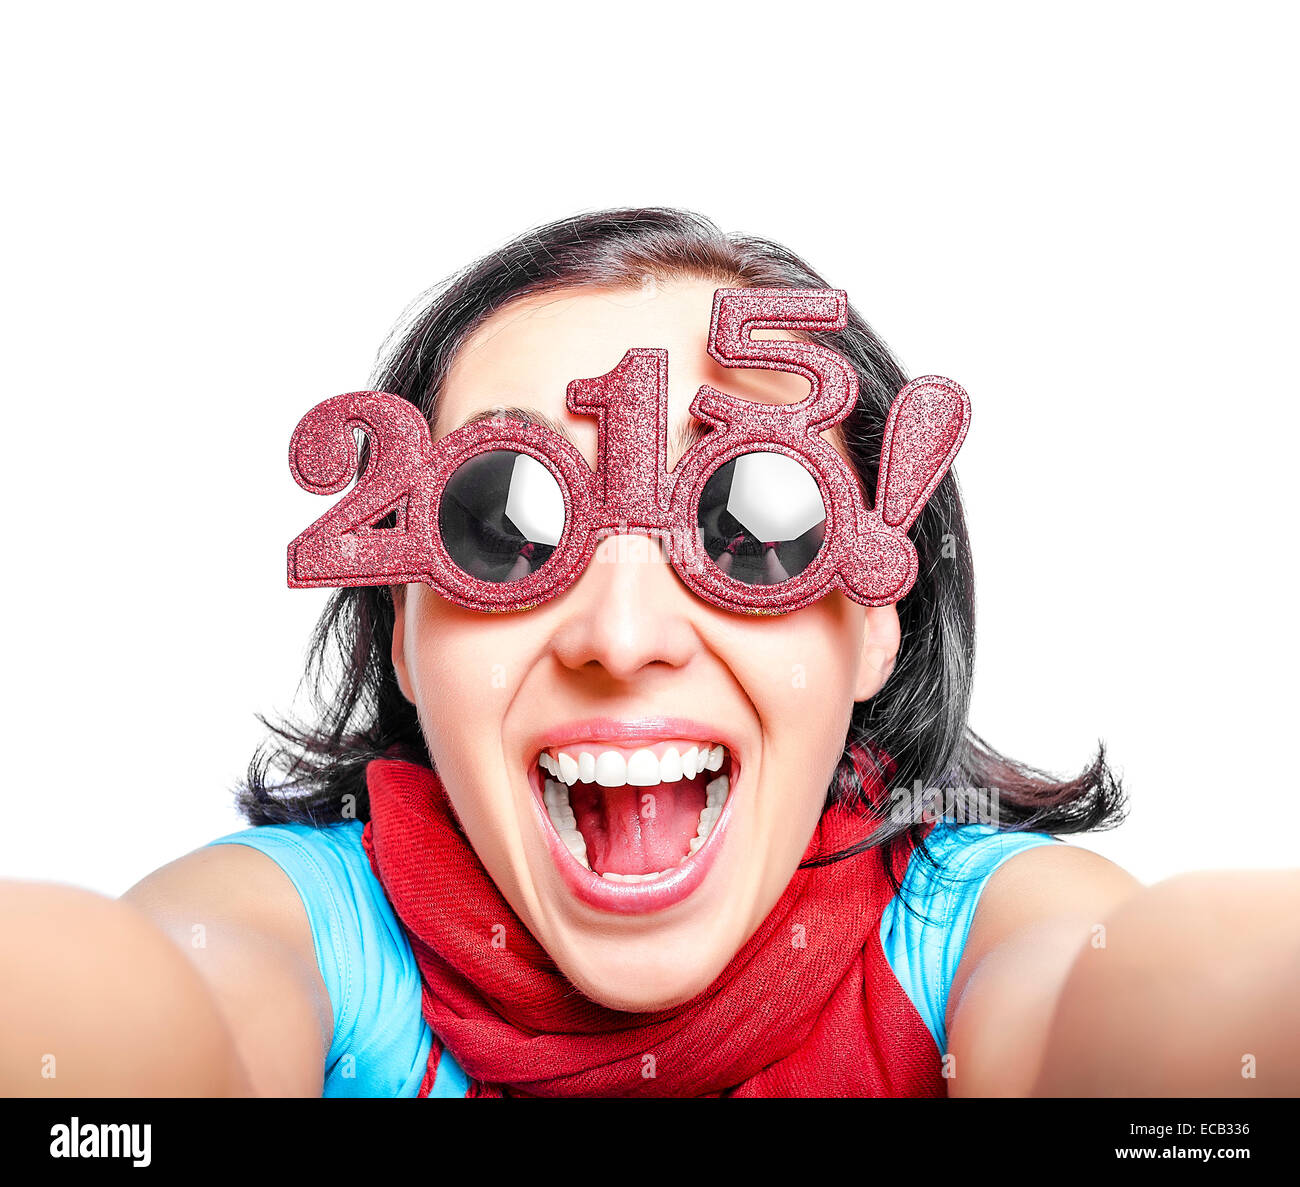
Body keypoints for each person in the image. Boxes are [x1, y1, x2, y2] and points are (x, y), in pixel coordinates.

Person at [4, 209, 1297, 1097]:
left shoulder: (966, 944)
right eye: (498, 531)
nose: (621, 639)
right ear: (401, 629)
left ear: (873, 625)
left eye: (754, 528)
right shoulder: (306, 937)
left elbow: (1151, 1012)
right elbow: (153, 1006)